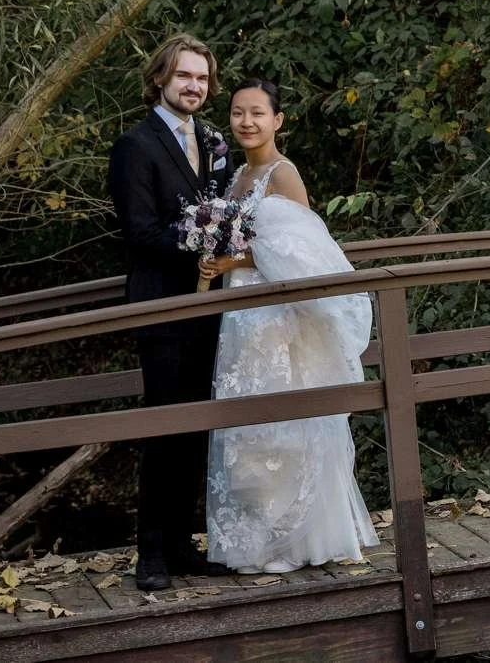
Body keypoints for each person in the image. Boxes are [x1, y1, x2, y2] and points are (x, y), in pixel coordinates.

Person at [201, 77, 379, 573]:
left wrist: (235, 262)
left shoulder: (284, 175)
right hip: (242, 316)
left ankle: (297, 541)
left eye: (258, 113)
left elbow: (306, 254)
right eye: (238, 113)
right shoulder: (235, 178)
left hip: (276, 316)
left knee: (282, 422)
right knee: (248, 425)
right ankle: (255, 542)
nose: (247, 122)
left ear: (277, 120)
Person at [106, 33, 236, 590]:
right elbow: (139, 230)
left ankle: (184, 547)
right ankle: (152, 556)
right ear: (160, 78)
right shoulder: (135, 145)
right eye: (185, 76)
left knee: (196, 426)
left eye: (203, 79)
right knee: (163, 426)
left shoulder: (210, 141)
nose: (194, 86)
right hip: (160, 302)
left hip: (208, 306)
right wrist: (200, 244)